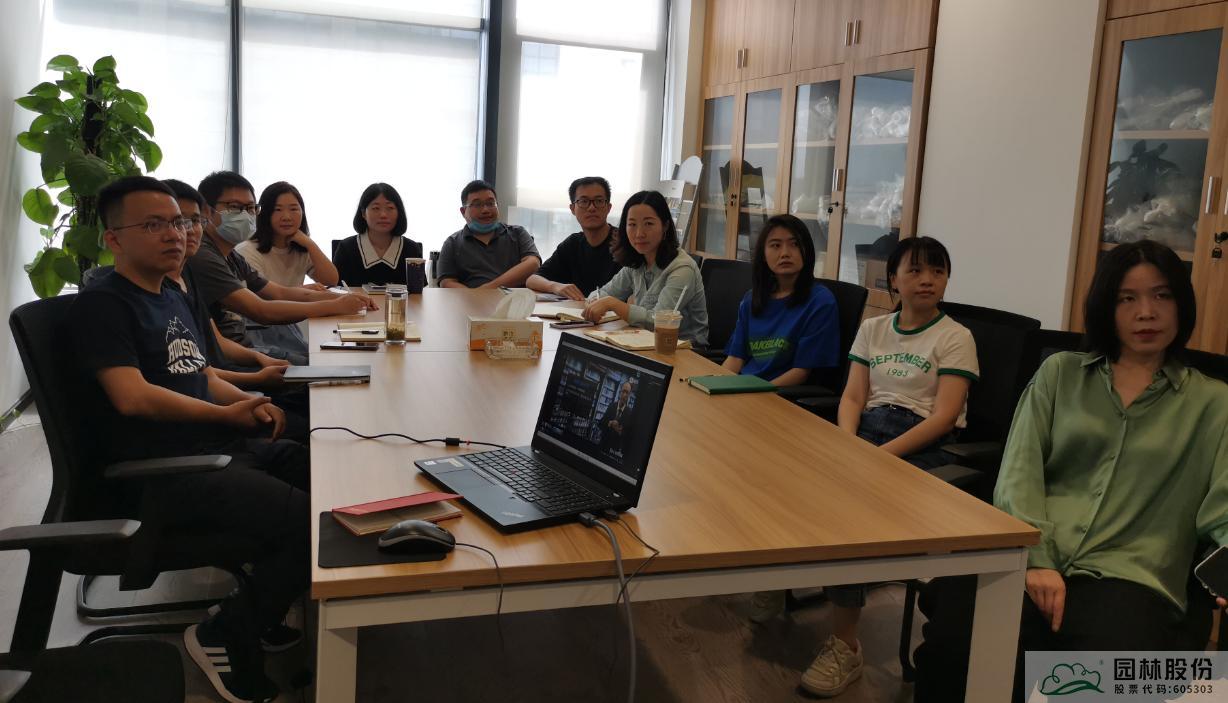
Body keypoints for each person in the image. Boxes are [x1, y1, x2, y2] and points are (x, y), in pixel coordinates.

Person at [70, 176, 308, 702]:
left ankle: (261, 606)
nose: (174, 234)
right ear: (113, 238)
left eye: (179, 222)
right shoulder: (104, 303)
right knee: (308, 524)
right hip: (165, 471)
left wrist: (247, 401)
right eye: (153, 224)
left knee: (327, 475)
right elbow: (131, 397)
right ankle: (224, 633)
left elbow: (199, 374)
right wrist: (227, 415)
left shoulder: (170, 293)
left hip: (213, 449)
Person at [993, 239, 1228, 701]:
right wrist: (1036, 560)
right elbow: (1019, 472)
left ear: (1181, 304)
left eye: (1162, 295)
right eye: (1127, 298)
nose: (1146, 313)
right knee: (962, 636)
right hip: (1033, 555)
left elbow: (1224, 508)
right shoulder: (1060, 374)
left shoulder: (1215, 404)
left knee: (1099, 674)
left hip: (1134, 576)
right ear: (1106, 306)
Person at [785, 236, 978, 698]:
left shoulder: (956, 337)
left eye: (938, 271)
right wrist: (847, 443)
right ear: (893, 279)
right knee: (790, 475)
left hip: (923, 443)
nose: (928, 280)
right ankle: (775, 572)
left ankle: (845, 647)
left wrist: (876, 459)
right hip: (867, 431)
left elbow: (944, 417)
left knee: (852, 517)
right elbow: (853, 397)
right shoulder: (874, 328)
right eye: (916, 271)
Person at [185, 171, 375, 365]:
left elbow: (279, 292)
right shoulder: (204, 255)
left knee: (332, 360)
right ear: (206, 211)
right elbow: (262, 310)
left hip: (248, 346)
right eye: (234, 207)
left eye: (250, 208)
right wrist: (335, 305)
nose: (244, 215)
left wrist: (342, 298)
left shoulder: (230, 254)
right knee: (326, 363)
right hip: (234, 356)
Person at [722, 214, 839, 386]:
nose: (785, 253)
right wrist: (717, 385)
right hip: (744, 388)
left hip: (779, 395)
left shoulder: (820, 302)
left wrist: (757, 393)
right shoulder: (751, 299)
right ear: (763, 254)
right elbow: (735, 359)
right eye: (776, 245)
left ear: (806, 250)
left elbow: (801, 372)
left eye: (795, 244)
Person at [582, 190, 709, 346]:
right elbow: (602, 294)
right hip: (645, 342)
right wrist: (595, 302)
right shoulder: (637, 262)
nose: (639, 234)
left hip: (685, 349)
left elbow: (658, 323)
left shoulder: (682, 269)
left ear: (665, 226)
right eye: (632, 224)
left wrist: (611, 303)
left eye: (648, 224)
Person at [526, 176, 622, 300]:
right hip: (577, 310)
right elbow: (532, 279)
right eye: (583, 201)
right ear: (572, 209)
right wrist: (555, 286)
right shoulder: (572, 244)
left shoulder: (624, 242)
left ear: (608, 207)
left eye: (598, 201)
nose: (591, 208)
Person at [436, 179, 541, 288]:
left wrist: (489, 288)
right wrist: (474, 296)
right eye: (477, 205)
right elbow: (447, 282)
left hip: (516, 298)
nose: (485, 210)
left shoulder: (518, 233)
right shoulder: (452, 243)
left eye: (490, 203)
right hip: (470, 298)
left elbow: (533, 263)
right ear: (463, 211)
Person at [235, 180, 339, 288]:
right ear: (264, 213)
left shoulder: (301, 248)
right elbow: (260, 294)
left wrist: (310, 244)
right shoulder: (247, 250)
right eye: (278, 209)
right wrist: (304, 291)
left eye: (293, 209)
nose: (286, 217)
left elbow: (331, 281)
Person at [332, 182, 423, 286]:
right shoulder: (346, 248)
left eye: (390, 208)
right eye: (376, 208)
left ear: (399, 213)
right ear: (363, 213)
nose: (383, 215)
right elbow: (334, 289)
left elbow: (421, 291)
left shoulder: (411, 249)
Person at [598, 379, 636, 457]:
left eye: (627, 393)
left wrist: (619, 431)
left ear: (629, 395)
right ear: (620, 392)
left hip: (615, 451)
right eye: (623, 391)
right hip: (603, 446)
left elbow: (629, 436)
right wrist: (610, 423)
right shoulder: (611, 406)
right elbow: (600, 423)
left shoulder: (630, 413)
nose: (624, 395)